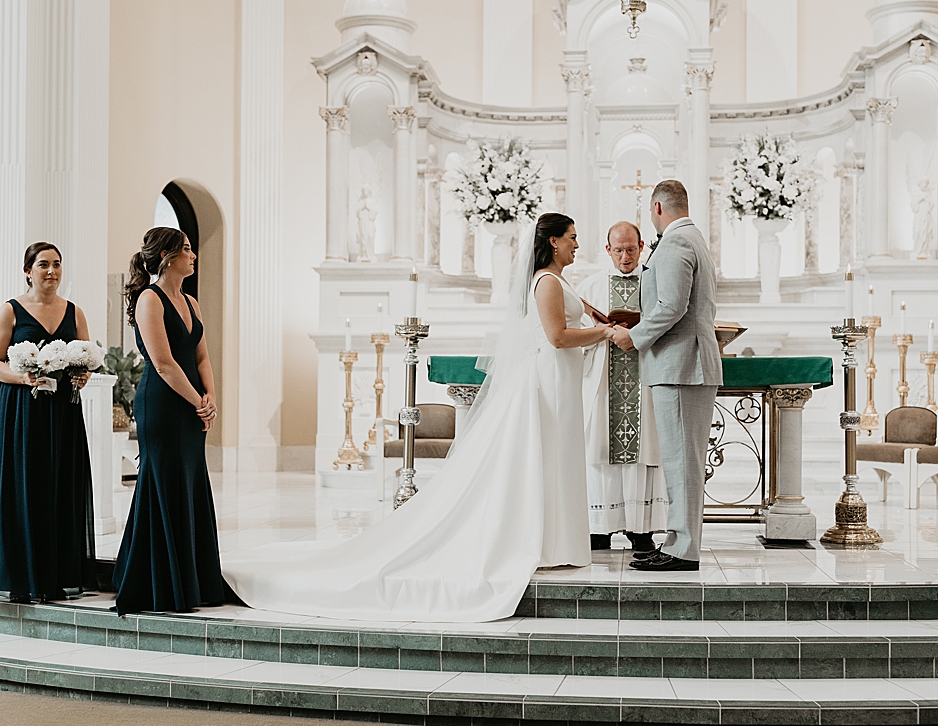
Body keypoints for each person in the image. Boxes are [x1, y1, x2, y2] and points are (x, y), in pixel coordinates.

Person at [224, 213, 622, 621]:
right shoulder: (547, 281)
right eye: (572, 238)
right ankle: (543, 543)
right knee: (545, 460)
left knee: (554, 461)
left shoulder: (556, 281)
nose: (578, 244)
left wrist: (596, 320)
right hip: (548, 381)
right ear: (553, 242)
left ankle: (554, 543)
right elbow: (557, 337)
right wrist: (606, 334)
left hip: (558, 381)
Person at [0, 243, 99, 603]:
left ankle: (57, 572)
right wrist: (24, 378)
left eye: (57, 265)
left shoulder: (75, 312)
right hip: (21, 410)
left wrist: (83, 377)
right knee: (23, 485)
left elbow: (84, 358)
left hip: (62, 412)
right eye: (44, 265)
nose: (51, 271)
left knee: (59, 484)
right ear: (28, 270)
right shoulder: (11, 310)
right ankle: (19, 571)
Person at [113, 228, 234, 615]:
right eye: (186, 249)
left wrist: (210, 396)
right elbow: (163, 364)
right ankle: (159, 582)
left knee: (189, 483)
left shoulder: (191, 302)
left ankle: (192, 580)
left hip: (191, 402)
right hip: (163, 406)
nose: (193, 255)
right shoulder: (151, 298)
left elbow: (201, 357)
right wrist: (198, 400)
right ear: (166, 256)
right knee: (163, 484)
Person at [624, 181, 721, 573]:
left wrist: (633, 337)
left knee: (682, 462)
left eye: (650, 211)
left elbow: (671, 306)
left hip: (681, 366)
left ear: (659, 206)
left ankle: (683, 549)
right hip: (685, 363)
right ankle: (681, 541)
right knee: (684, 461)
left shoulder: (676, 243)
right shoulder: (693, 239)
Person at [576, 221, 669, 553]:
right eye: (619, 250)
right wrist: (604, 333)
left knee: (643, 452)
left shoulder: (656, 283)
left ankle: (640, 529)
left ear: (642, 246)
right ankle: (600, 527)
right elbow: (576, 333)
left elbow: (667, 324)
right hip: (602, 379)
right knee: (600, 451)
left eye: (632, 249)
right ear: (607, 250)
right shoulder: (590, 286)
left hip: (644, 378)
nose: (626, 257)